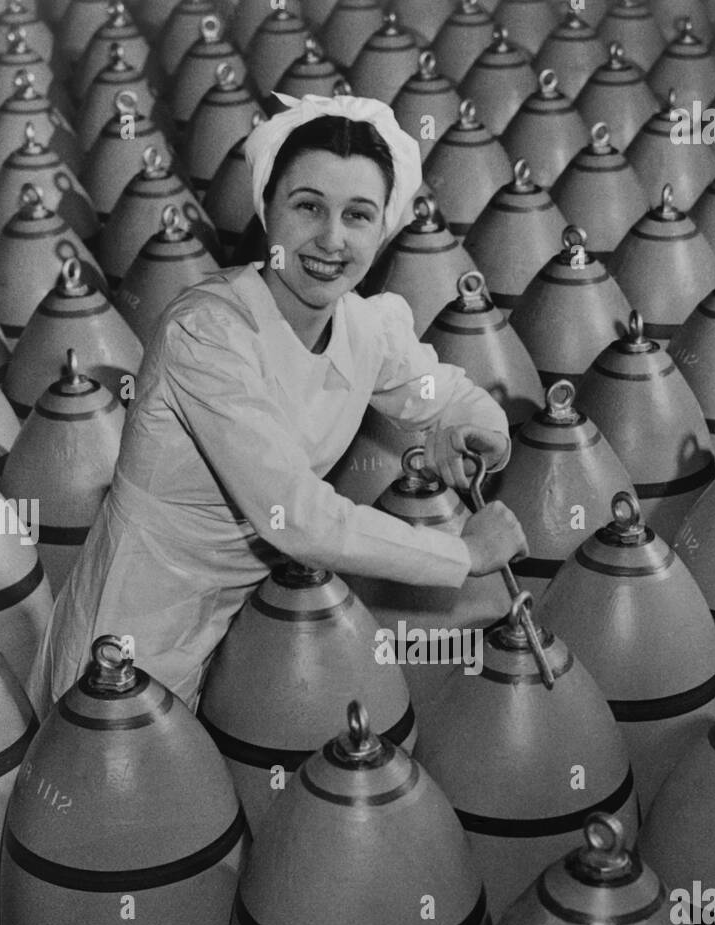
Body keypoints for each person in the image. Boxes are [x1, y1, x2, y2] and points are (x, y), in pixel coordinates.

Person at [27, 92, 526, 714]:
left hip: (246, 629)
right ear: (268, 211)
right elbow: (299, 516)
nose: (331, 239)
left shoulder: (365, 328)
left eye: (358, 215)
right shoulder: (208, 334)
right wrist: (464, 553)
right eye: (308, 206)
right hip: (136, 623)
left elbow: (437, 391)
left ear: (383, 229)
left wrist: (473, 430)